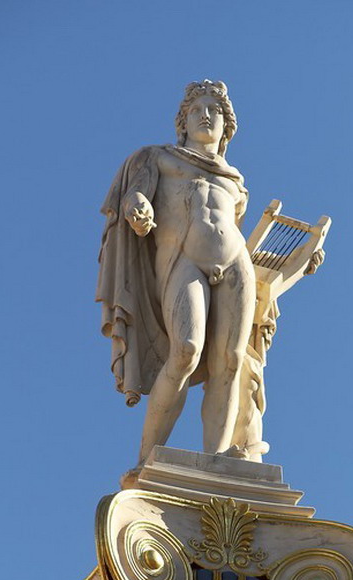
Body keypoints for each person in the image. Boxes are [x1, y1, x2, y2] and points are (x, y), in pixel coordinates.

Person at [97, 80, 256, 476]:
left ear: (227, 126)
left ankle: (218, 461)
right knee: (185, 350)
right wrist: (138, 208)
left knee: (230, 360)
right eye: (197, 110)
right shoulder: (159, 158)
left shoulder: (235, 180)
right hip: (182, 259)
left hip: (236, 262)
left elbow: (233, 228)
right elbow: (134, 195)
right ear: (182, 122)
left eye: (215, 111)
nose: (206, 115)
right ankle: (147, 459)